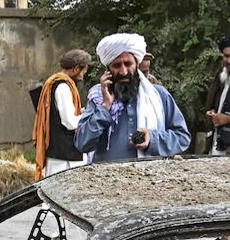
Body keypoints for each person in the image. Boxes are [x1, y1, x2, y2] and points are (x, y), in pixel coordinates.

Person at [75, 33, 191, 162]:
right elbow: (81, 143)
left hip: (149, 178)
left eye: (128, 64)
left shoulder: (158, 95)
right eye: (117, 65)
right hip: (106, 179)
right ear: (108, 69)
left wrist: (152, 139)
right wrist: (105, 108)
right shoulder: (98, 98)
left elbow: (182, 138)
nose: (123, 71)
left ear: (136, 64)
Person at [33, 49, 91, 181]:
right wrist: (88, 117)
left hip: (60, 154)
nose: (84, 75)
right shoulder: (63, 87)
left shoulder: (57, 83)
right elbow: (69, 122)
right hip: (64, 158)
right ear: (76, 69)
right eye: (84, 70)